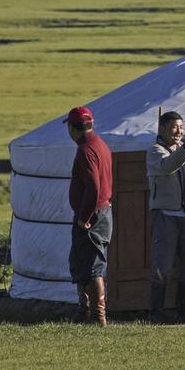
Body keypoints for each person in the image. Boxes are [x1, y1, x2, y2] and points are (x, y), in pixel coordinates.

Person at [146, 111, 185, 322]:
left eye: (181, 127)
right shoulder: (155, 151)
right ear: (161, 129)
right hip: (165, 215)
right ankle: (156, 312)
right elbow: (167, 166)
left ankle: (184, 311)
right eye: (174, 127)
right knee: (162, 265)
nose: (179, 131)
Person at [64, 105, 113, 326]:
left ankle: (97, 316)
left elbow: (93, 186)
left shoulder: (86, 150)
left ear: (73, 128)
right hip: (99, 212)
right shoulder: (99, 145)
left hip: (92, 215)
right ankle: (84, 312)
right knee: (81, 262)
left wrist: (84, 216)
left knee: (92, 265)